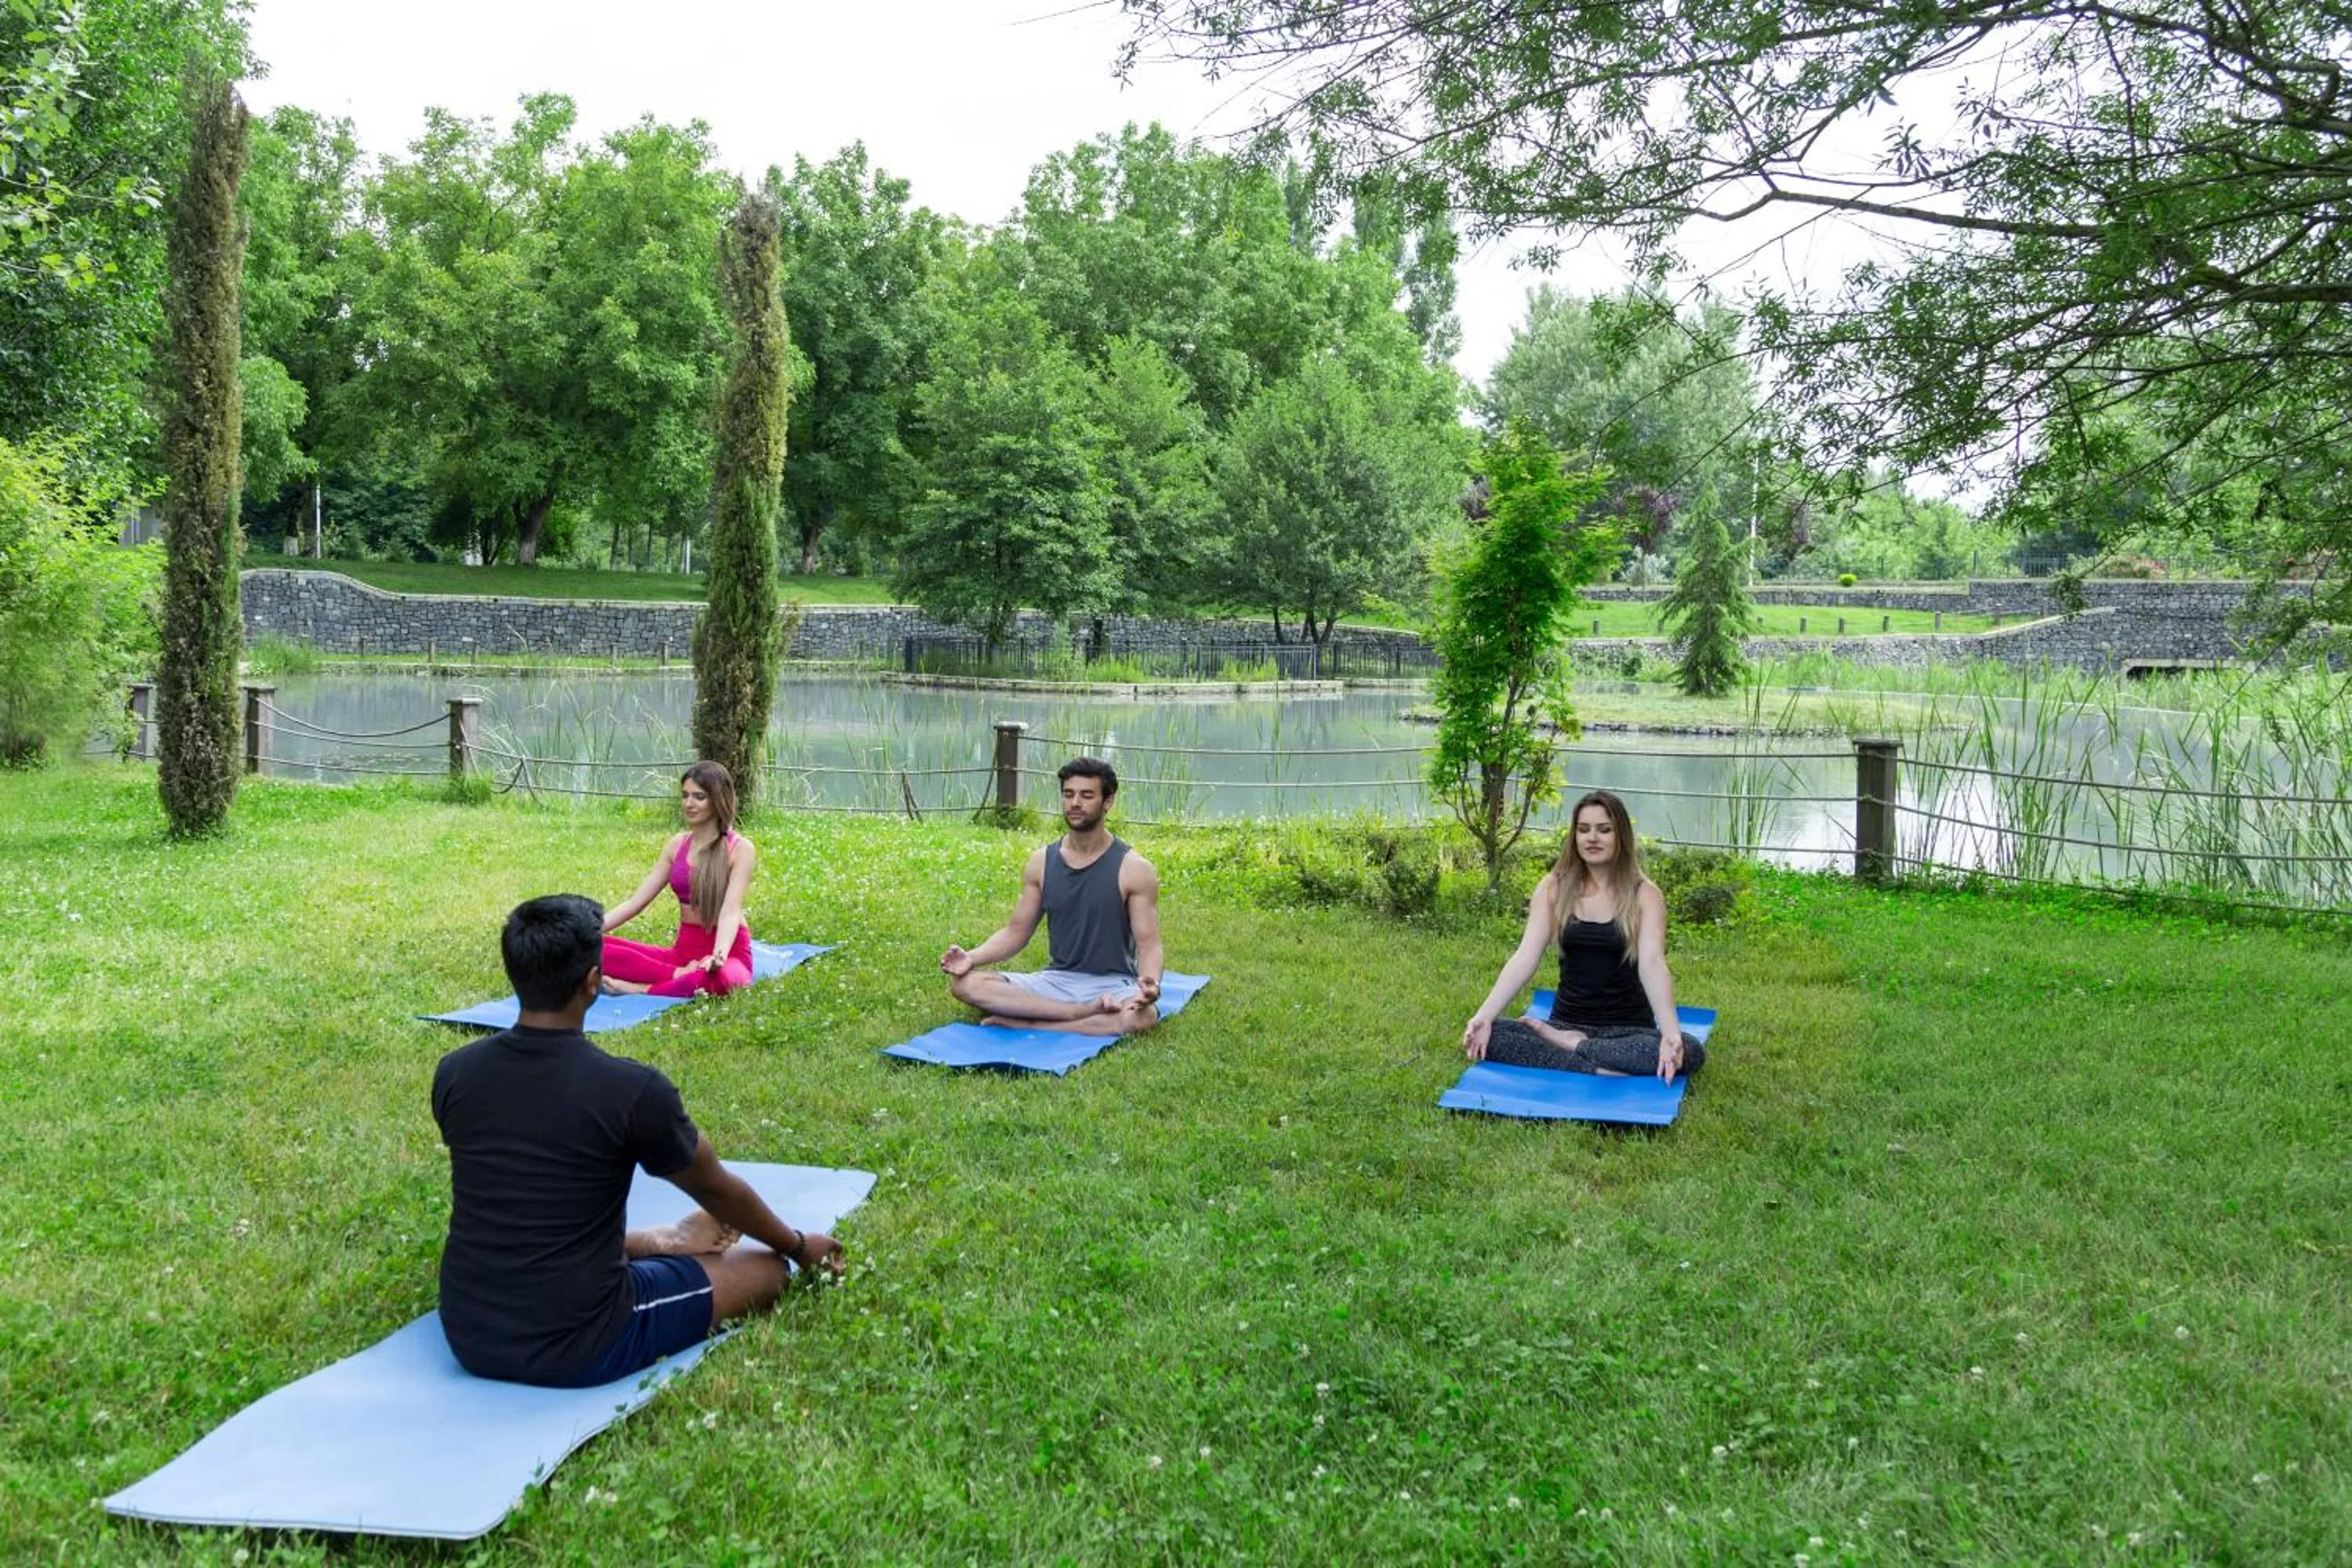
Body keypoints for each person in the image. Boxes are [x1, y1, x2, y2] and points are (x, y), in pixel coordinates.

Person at [432, 895, 844, 1388]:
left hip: (468, 1328)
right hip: (584, 1341)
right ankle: (664, 1246)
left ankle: (659, 1241)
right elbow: (716, 1189)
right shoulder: (630, 1090)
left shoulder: (454, 1074)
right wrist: (798, 1247)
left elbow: (521, 1194)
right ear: (592, 983)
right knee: (766, 1273)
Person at [1461, 789, 1704, 1083]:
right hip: (1564, 1022)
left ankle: (1574, 1047)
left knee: (1689, 1050)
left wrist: (1670, 1034)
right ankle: (1598, 1066)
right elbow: (1526, 956)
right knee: (1491, 1035)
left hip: (1628, 1031)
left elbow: (1652, 964)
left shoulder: (1645, 895)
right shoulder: (1553, 888)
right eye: (1584, 829)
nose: (1592, 838)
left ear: (1620, 836)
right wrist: (1484, 1016)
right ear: (1574, 836)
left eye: (1604, 830)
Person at [939, 756, 1164, 1034]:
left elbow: (1149, 944)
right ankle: (1078, 1015)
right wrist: (971, 958)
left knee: (1143, 1017)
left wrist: (1150, 982)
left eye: (1086, 795)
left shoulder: (1134, 869)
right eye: (1068, 795)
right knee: (965, 984)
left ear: (1108, 802)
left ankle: (1030, 1021)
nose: (1075, 803)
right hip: (1056, 981)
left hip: (1112, 984)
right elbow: (1015, 933)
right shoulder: (1041, 862)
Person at [601, 760, 758, 997]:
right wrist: (589, 930)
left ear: (718, 800)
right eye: (685, 796)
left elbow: (730, 911)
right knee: (590, 948)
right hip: (683, 953)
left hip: (728, 952)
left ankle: (639, 988)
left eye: (699, 797)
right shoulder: (677, 845)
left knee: (715, 979)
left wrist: (719, 956)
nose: (689, 803)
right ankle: (677, 975)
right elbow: (637, 902)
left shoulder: (740, 849)